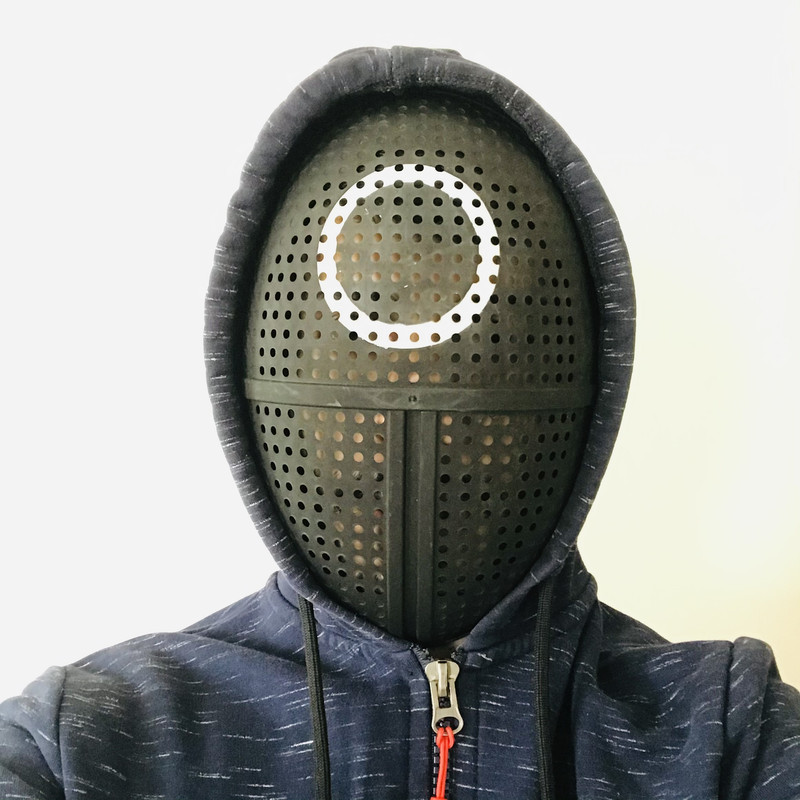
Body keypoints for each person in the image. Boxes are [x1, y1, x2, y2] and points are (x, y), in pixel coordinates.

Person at [1, 45, 798, 800]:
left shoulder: (725, 733)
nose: (417, 396)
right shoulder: (93, 742)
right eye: (362, 338)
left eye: (479, 351)